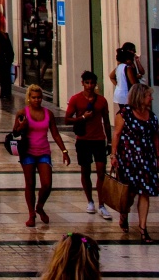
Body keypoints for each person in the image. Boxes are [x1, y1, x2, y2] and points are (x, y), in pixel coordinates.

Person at [111, 83, 159, 243]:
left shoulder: (152, 117)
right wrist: (114, 155)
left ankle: (143, 228)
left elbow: (155, 137)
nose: (151, 98)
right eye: (149, 95)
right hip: (129, 159)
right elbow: (117, 134)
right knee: (130, 193)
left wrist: (158, 158)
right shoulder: (124, 114)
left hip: (146, 159)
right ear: (141, 97)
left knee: (145, 192)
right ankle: (124, 214)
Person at [13, 83, 70, 226]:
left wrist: (64, 151)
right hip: (28, 152)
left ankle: (40, 206)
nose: (37, 100)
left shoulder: (48, 114)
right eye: (34, 98)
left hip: (44, 151)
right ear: (28, 98)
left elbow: (55, 134)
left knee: (47, 184)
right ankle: (31, 213)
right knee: (30, 184)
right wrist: (22, 126)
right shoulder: (22, 113)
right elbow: (14, 133)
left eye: (39, 98)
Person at [65, 70, 112, 218]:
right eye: (87, 83)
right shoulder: (76, 99)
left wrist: (110, 141)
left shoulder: (102, 101)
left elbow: (107, 121)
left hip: (99, 139)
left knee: (101, 171)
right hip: (83, 140)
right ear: (82, 83)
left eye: (92, 83)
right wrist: (83, 117)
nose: (90, 86)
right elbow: (67, 119)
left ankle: (102, 204)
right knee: (85, 171)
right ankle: (90, 201)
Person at [110, 48, 137, 112]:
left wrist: (118, 85)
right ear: (127, 60)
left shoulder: (118, 67)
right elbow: (133, 82)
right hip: (126, 93)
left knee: (123, 110)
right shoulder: (127, 67)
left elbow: (111, 76)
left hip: (119, 93)